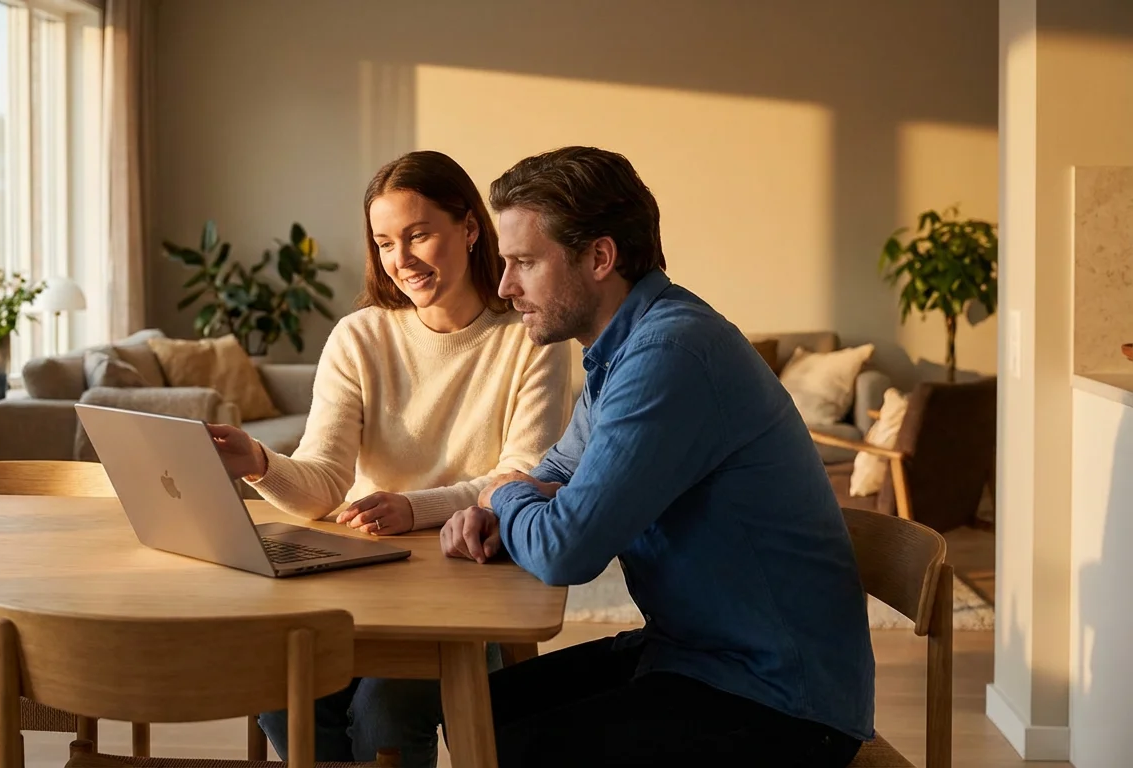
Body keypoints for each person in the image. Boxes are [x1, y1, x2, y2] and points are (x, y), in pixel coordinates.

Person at [439, 146, 875, 767]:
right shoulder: (621, 350)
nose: (506, 287)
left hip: (780, 699)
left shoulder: (669, 354)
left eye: (524, 263)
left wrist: (502, 495)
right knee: (475, 712)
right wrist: (511, 500)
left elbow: (567, 549)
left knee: (509, 743)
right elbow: (558, 473)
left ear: (599, 257)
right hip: (696, 653)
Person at [207, 150, 572, 767]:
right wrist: (258, 463)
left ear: (470, 228)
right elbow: (324, 483)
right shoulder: (360, 336)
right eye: (384, 243)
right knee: (279, 694)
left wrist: (413, 508)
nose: (400, 260)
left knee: (384, 709)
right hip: (361, 572)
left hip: (466, 571)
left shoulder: (528, 335)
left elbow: (525, 476)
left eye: (419, 234)